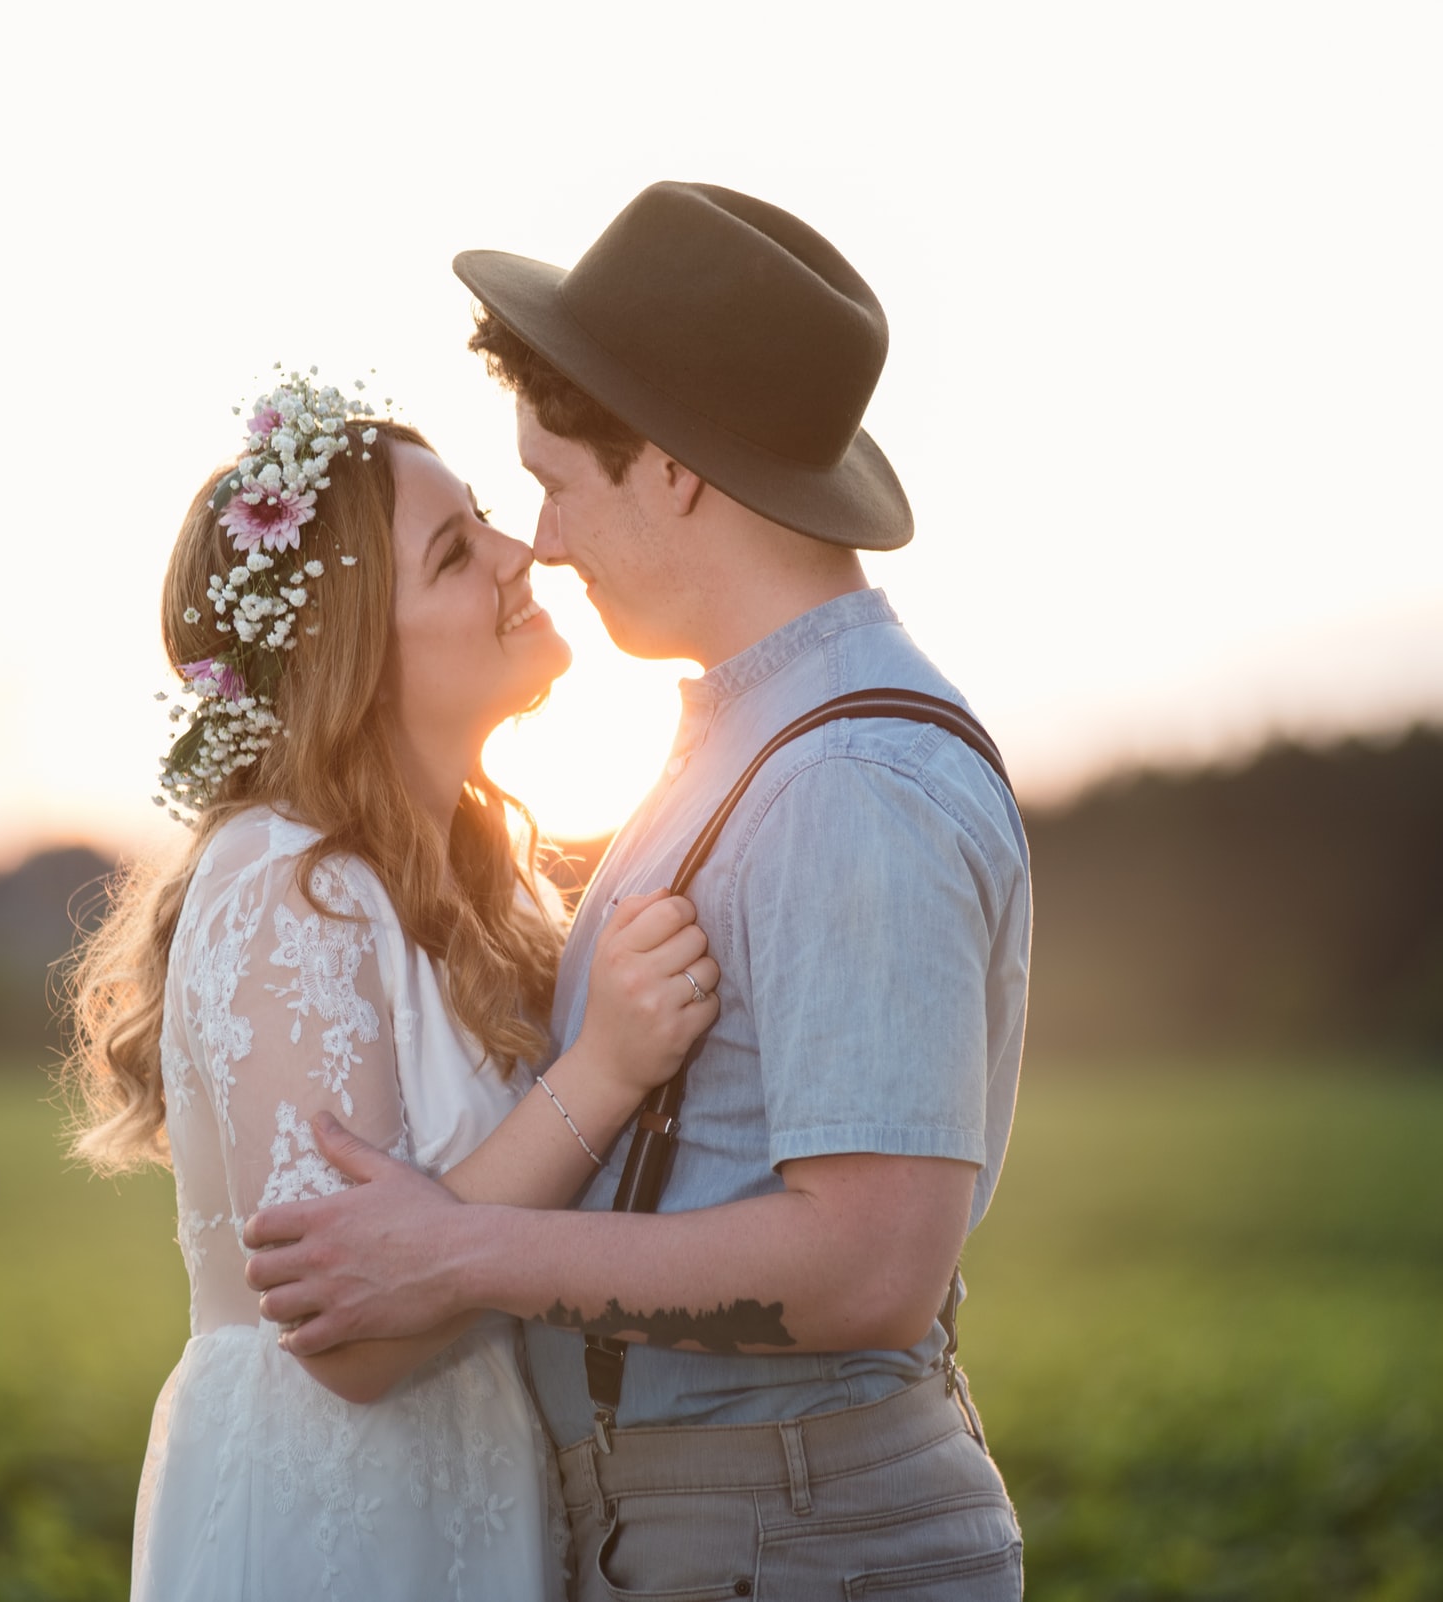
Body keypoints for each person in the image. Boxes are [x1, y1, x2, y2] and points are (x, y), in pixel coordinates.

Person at [241, 184, 1033, 1599]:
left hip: (793, 1533)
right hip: (736, 1528)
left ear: (668, 468)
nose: (539, 539)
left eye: (554, 479)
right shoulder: (747, 739)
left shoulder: (847, 782)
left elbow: (868, 1265)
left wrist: (460, 1254)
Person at [62, 369, 725, 1602]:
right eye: (456, 552)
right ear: (356, 658)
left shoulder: (487, 883)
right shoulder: (283, 883)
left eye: (487, 519)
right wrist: (607, 1068)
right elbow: (350, 1341)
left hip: (488, 1493)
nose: (522, 552)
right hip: (336, 1524)